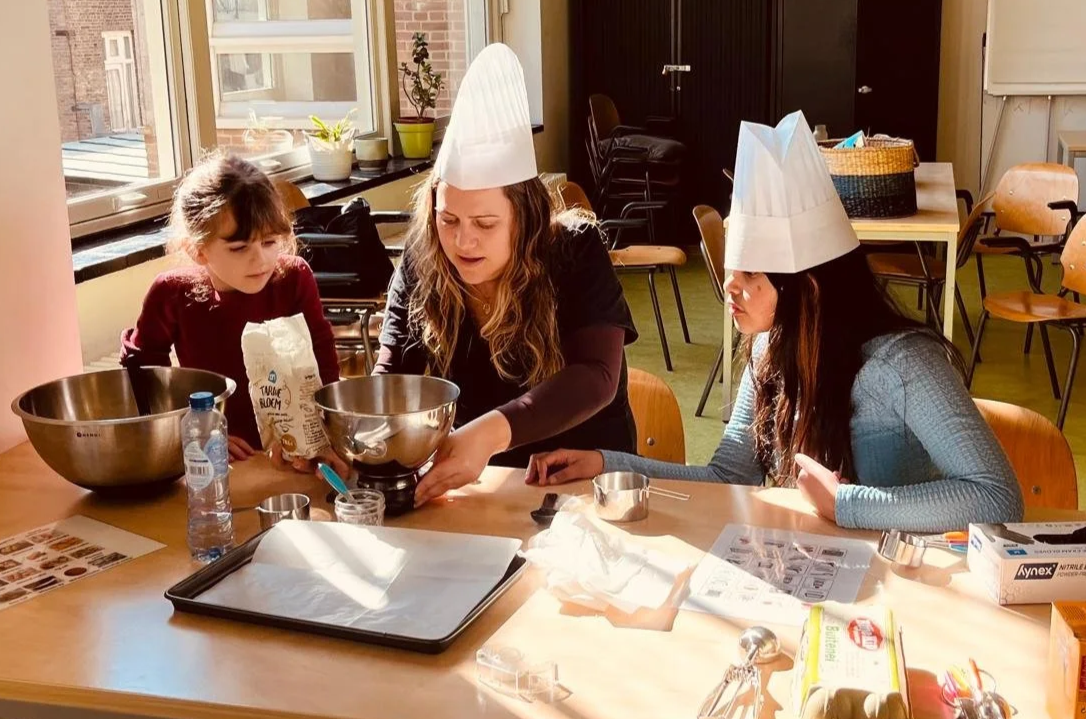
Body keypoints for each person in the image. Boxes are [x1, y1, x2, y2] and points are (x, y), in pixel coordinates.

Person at [525, 111, 1024, 533]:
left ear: (805, 288)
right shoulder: (769, 348)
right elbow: (727, 476)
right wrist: (607, 463)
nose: (729, 289)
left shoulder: (904, 363)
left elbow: (998, 497)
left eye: (748, 276)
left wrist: (848, 504)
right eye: (730, 272)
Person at [373, 44, 638, 508]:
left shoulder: (574, 250)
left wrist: (488, 434)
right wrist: (360, 439)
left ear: (526, 217)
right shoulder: (424, 260)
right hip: (477, 495)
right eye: (448, 220)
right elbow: (394, 378)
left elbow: (597, 375)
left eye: (485, 224)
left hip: (578, 491)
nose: (462, 242)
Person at [121, 153, 344, 475]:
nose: (262, 260)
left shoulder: (294, 277)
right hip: (218, 459)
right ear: (196, 249)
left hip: (293, 451)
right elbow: (143, 372)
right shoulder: (172, 292)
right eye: (239, 248)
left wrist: (324, 432)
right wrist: (193, 430)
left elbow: (322, 354)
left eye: (270, 242)